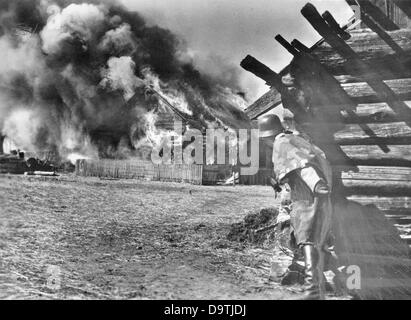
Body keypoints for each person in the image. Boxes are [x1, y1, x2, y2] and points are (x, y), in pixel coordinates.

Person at [259, 113, 334, 299]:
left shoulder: (281, 143)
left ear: (268, 136)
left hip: (307, 195)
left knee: (307, 239)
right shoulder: (292, 139)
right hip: (303, 194)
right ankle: (306, 282)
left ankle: (312, 288)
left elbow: (304, 165)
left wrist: (317, 185)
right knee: (305, 237)